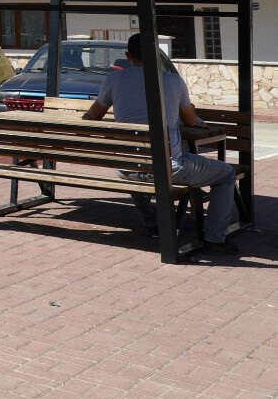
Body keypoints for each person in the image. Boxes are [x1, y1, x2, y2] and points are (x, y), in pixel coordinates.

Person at [84, 33, 238, 253]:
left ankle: (152, 223)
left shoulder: (113, 79)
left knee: (136, 162)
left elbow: (92, 117)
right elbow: (191, 120)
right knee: (226, 174)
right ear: (157, 55)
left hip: (127, 167)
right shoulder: (173, 81)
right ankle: (215, 237)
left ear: (128, 56)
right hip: (169, 168)